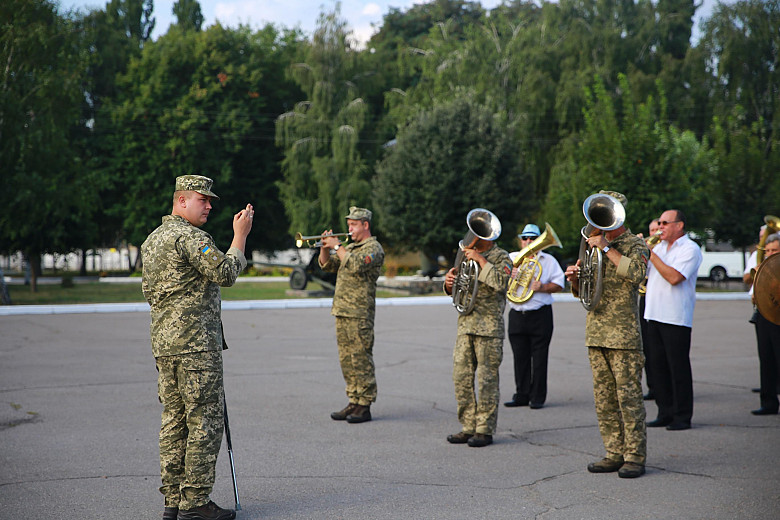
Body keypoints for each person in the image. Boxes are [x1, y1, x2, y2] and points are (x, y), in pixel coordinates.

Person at [142, 175, 253, 520]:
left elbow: (149, 291)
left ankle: (173, 501)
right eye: (201, 200)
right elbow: (226, 273)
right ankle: (196, 503)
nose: (208, 207)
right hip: (195, 347)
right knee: (204, 420)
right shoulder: (190, 237)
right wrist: (240, 237)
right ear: (181, 201)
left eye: (209, 201)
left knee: (174, 422)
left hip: (166, 346)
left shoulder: (152, 240)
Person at [564, 190, 649, 479]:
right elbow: (585, 293)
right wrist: (576, 281)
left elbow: (637, 274)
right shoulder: (590, 245)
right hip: (597, 332)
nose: (597, 224)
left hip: (623, 336)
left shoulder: (634, 244)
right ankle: (614, 452)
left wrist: (605, 249)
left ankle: (634, 456)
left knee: (629, 397)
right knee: (604, 398)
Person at [443, 221, 512, 448]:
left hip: (489, 328)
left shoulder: (502, 257)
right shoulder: (465, 255)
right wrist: (449, 284)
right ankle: (468, 426)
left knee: (487, 381)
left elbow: (502, 283)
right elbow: (458, 289)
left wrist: (481, 261)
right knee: (461, 378)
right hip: (466, 325)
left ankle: (484, 429)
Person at [320, 207, 385, 424]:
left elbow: (356, 265)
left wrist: (337, 245)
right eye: (349, 224)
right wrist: (324, 247)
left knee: (361, 358)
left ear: (365, 225)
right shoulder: (349, 248)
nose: (350, 229)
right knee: (347, 359)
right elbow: (328, 265)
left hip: (359, 313)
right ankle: (353, 399)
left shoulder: (373, 248)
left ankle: (364, 404)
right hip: (342, 310)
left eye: (354, 225)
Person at [643, 209, 703, 431]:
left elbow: (674, 277)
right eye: (659, 223)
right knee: (657, 368)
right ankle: (665, 412)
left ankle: (682, 416)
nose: (660, 227)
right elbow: (643, 274)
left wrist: (651, 254)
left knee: (677, 368)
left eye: (665, 223)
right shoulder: (659, 247)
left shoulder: (690, 249)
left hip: (676, 317)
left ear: (679, 225)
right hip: (653, 314)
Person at [504, 224, 565, 410]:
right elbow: (498, 283)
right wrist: (509, 275)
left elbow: (559, 284)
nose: (528, 242)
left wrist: (543, 287)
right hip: (517, 314)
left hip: (540, 315)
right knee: (519, 357)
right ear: (520, 240)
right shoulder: (511, 258)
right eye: (525, 238)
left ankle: (537, 397)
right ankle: (521, 394)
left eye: (533, 238)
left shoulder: (548, 260)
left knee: (539, 358)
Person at [748, 233, 780, 415]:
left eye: (774, 250)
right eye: (767, 251)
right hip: (764, 315)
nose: (769, 254)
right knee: (766, 358)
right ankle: (768, 402)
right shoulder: (765, 267)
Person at [639, 218, 660, 400]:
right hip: (645, 299)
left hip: (660, 303)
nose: (654, 233)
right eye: (651, 230)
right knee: (646, 345)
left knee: (659, 348)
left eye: (656, 229)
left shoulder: (662, 251)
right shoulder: (648, 249)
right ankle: (653, 386)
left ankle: (663, 387)